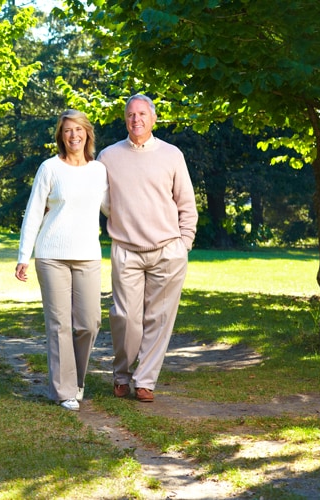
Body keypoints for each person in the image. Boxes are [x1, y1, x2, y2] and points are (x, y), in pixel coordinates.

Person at [97, 94, 198, 403]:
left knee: (159, 318)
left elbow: (186, 203)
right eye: (130, 114)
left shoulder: (172, 154)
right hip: (126, 249)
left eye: (142, 114)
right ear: (124, 120)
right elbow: (101, 201)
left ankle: (145, 381)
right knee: (126, 318)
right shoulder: (109, 156)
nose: (136, 119)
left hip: (168, 250)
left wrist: (184, 243)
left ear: (153, 119)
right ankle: (122, 375)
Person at [15, 109, 108, 411]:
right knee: (59, 325)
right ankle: (65, 390)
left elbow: (112, 209)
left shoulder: (98, 171)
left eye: (79, 130)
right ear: (61, 136)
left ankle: (76, 381)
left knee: (89, 323)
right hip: (51, 255)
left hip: (88, 256)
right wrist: (23, 256)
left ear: (87, 134)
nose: (74, 135)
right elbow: (33, 213)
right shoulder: (50, 168)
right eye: (67, 130)